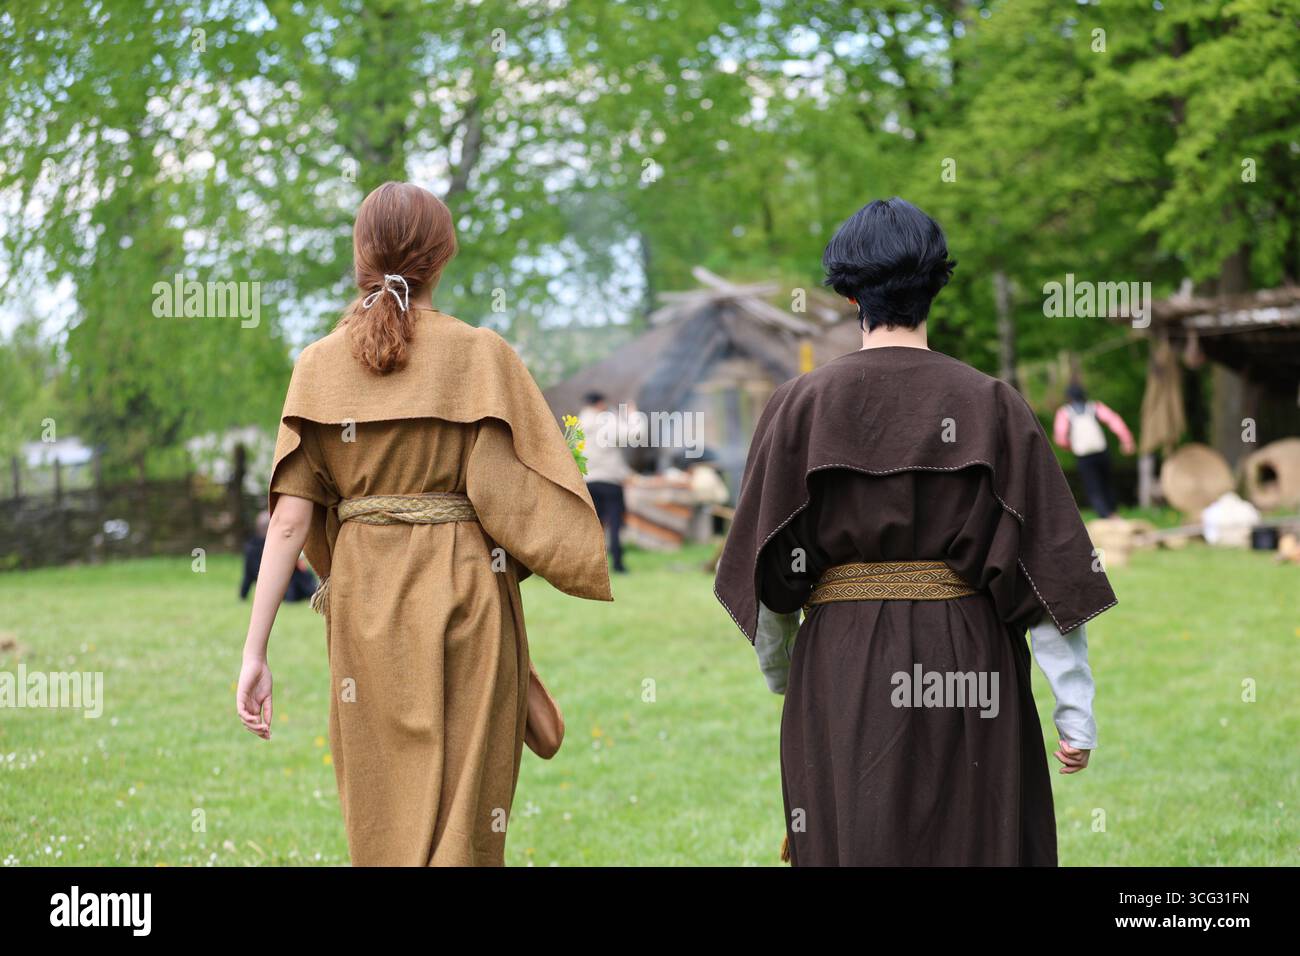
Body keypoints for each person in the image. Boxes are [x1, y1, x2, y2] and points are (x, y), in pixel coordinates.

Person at [714, 198, 1118, 866]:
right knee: (973, 839)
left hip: (841, 665)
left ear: (849, 295)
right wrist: (1074, 708)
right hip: (970, 654)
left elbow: (768, 578)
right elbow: (1045, 572)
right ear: (936, 284)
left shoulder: (798, 406)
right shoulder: (992, 403)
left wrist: (790, 674)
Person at [236, 182, 612, 866]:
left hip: (363, 601)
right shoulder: (481, 356)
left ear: (361, 257)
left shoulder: (317, 367)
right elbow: (518, 493)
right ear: (443, 258)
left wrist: (254, 651)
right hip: (471, 589)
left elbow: (289, 523)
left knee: (383, 805)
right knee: (470, 808)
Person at [578, 392, 644, 573]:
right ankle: (617, 563)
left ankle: (592, 564)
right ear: (600, 404)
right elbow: (635, 434)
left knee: (593, 526)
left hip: (587, 480)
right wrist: (633, 414)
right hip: (609, 480)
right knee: (615, 523)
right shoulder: (605, 422)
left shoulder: (578, 424)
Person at [1053, 382, 1134, 518]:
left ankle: (1105, 514)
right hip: (1101, 452)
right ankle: (1113, 512)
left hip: (1083, 455)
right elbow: (1114, 421)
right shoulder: (1095, 407)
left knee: (1093, 487)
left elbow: (1060, 438)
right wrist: (1126, 441)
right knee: (1107, 483)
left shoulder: (1065, 413)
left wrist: (1070, 446)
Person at [239, 509, 317, 602]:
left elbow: (248, 576)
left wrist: (243, 595)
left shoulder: (251, 550)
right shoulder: (276, 547)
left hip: (272, 593)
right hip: (290, 591)